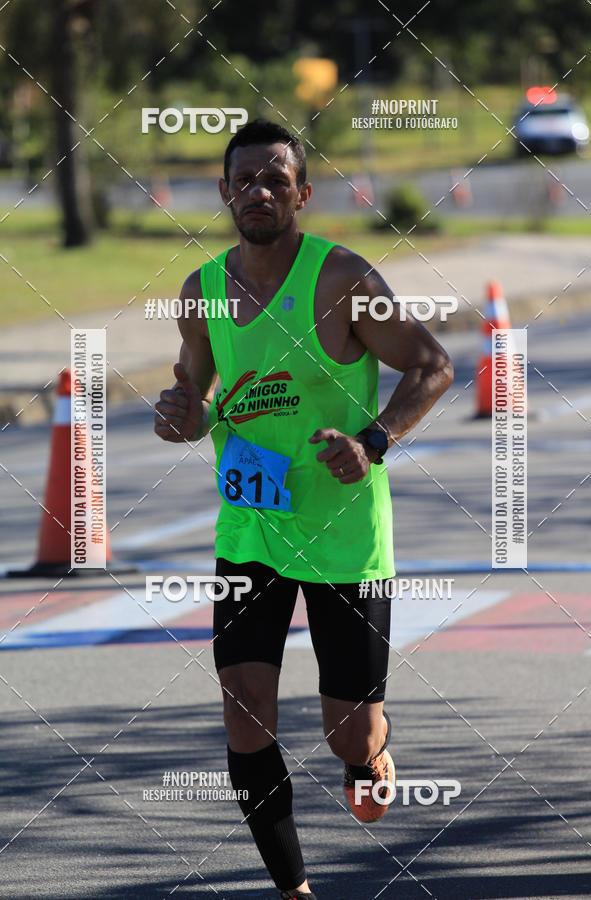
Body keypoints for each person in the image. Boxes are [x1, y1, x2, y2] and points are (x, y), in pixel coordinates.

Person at [154, 119, 453, 899]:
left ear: (302, 194)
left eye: (275, 180)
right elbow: (198, 399)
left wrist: (373, 441)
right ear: (224, 193)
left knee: (345, 732)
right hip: (250, 528)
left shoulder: (342, 279)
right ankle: (294, 890)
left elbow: (432, 365)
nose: (258, 192)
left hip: (344, 533)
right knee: (244, 712)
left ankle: (369, 752)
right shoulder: (202, 292)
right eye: (244, 181)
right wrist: (181, 415)